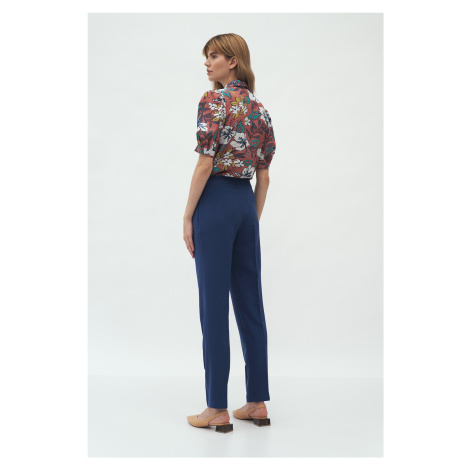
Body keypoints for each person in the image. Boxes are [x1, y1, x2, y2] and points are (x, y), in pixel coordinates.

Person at [183, 33, 276, 433]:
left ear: (232, 61)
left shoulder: (214, 101)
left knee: (213, 306)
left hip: (216, 202)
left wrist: (188, 216)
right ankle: (257, 402)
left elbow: (205, 165)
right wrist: (251, 219)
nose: (207, 63)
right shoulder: (260, 110)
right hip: (244, 205)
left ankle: (216, 408)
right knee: (251, 304)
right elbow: (264, 177)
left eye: (214, 56)